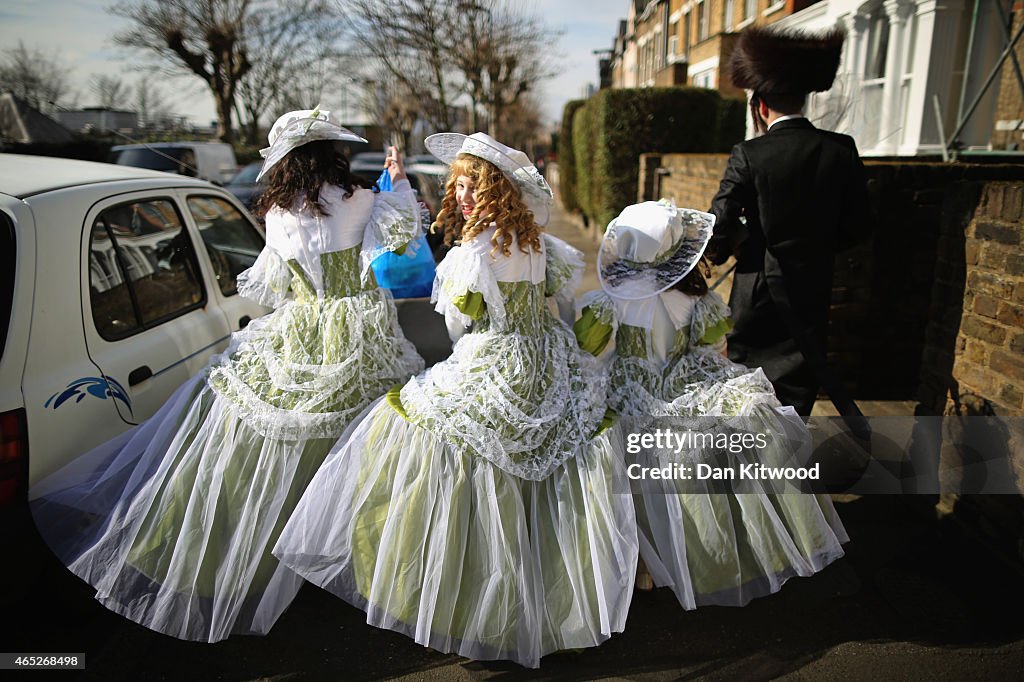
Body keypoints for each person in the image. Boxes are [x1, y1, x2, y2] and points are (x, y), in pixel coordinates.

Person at [29, 109, 425, 642]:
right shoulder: (358, 199)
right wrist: (396, 181)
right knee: (369, 442)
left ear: (284, 164)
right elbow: (402, 237)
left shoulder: (278, 215)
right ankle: (353, 555)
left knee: (267, 446)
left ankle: (241, 556)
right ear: (331, 154)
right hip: (359, 329)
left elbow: (277, 287)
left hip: (299, 327)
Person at [273, 132, 638, 669]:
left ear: (493, 189)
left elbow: (460, 325)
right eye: (458, 185)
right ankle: (546, 588)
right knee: (544, 459)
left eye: (471, 185)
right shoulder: (536, 241)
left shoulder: (473, 252)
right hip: (545, 357)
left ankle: (461, 590)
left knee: (414, 429)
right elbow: (551, 304)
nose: (462, 194)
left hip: (494, 356)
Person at [575, 199, 848, 609]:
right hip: (686, 376)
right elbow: (710, 345)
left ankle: (644, 566)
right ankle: (732, 553)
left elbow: (587, 346)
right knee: (727, 435)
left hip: (631, 381)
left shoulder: (614, 300)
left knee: (626, 453)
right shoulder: (695, 297)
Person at [708, 26, 868, 417]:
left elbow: (718, 230)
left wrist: (743, 241)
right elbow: (858, 227)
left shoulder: (748, 154)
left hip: (758, 296)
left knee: (747, 401)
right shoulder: (840, 150)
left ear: (760, 105)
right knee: (795, 403)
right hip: (812, 292)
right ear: (805, 100)